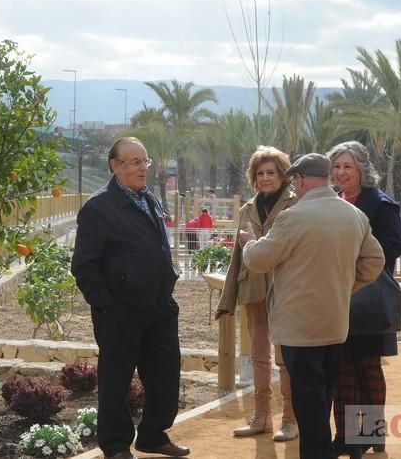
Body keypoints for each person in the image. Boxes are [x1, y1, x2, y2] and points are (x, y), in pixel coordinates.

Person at [241, 152, 385, 459]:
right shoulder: (354, 215)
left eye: (295, 181)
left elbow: (258, 260)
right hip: (336, 326)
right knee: (325, 396)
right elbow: (375, 260)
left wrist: (249, 242)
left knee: (310, 409)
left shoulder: (293, 217)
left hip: (298, 329)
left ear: (302, 179)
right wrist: (345, 286)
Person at [71, 137, 189, 459]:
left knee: (166, 376)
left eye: (145, 161)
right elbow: (83, 266)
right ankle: (115, 446)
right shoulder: (99, 208)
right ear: (115, 166)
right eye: (135, 162)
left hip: (159, 309)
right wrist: (109, 305)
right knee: (116, 382)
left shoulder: (148, 199)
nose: (143, 168)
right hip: (120, 312)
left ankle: (152, 435)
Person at [215, 146, 299, 441]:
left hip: (285, 288)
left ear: (283, 175)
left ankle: (290, 419)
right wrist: (228, 298)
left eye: (271, 172)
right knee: (258, 355)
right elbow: (237, 257)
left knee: (284, 356)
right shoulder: (246, 209)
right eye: (260, 173)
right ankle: (260, 416)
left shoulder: (295, 203)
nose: (265, 178)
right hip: (252, 286)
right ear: (253, 177)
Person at [326, 140, 401, 456]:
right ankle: (346, 437)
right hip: (336, 299)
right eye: (336, 166)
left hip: (368, 300)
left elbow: (393, 246)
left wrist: (355, 261)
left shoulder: (381, 204)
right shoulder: (331, 201)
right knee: (341, 370)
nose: (341, 172)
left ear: (362, 168)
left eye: (347, 166)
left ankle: (374, 434)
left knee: (368, 369)